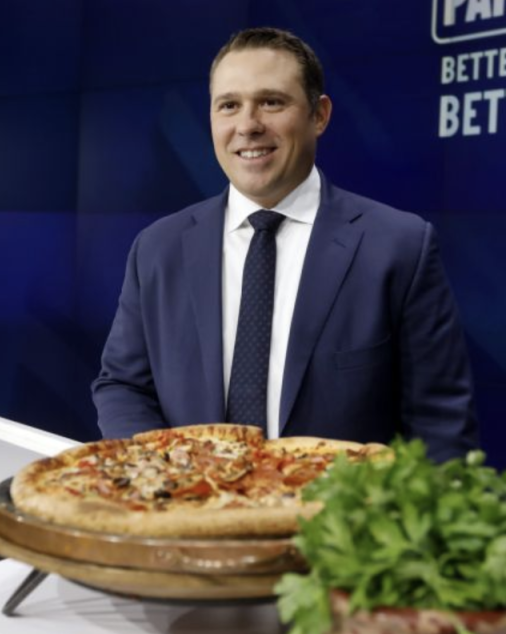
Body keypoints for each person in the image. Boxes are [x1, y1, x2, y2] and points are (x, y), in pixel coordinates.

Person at [92, 27, 478, 461]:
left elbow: (440, 427)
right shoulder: (157, 249)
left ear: (320, 115)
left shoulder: (399, 247)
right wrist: (164, 474)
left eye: (271, 102)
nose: (247, 125)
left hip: (334, 524)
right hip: (188, 515)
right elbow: (123, 385)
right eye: (229, 105)